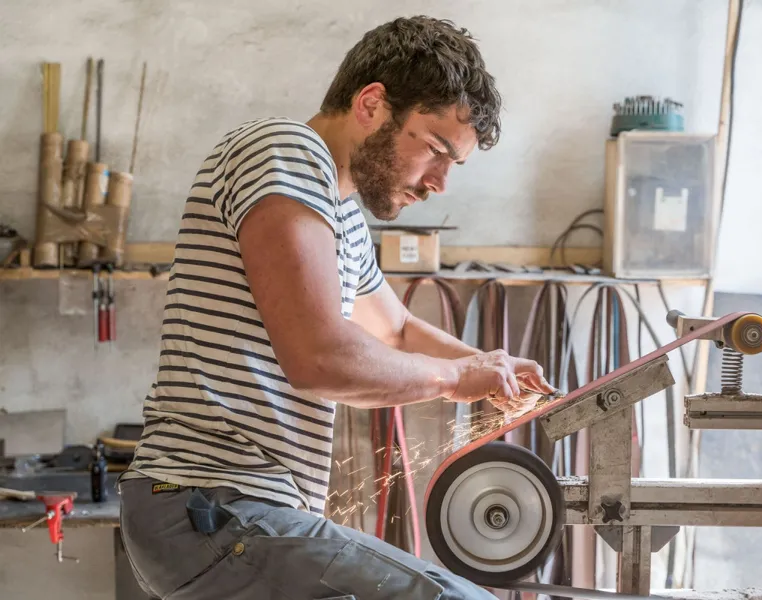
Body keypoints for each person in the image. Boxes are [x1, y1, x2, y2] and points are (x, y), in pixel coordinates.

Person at [117, 15, 555, 600]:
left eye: (455, 165)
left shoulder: (339, 208)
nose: (439, 183)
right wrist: (454, 379)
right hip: (211, 505)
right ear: (372, 104)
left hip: (237, 514)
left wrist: (490, 366)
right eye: (434, 150)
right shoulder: (284, 152)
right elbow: (320, 357)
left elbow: (395, 330)